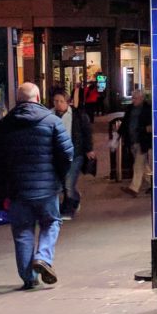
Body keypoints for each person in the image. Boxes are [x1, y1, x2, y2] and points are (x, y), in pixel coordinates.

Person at [0, 82, 73, 290]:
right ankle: (43, 257)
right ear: (38, 98)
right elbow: (66, 153)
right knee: (51, 222)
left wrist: (6, 182)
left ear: (18, 100)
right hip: (46, 188)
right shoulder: (52, 121)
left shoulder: (3, 124)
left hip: (18, 190)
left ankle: (28, 278)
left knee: (22, 231)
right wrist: (58, 177)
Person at [51, 88, 94, 220]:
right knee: (61, 184)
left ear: (68, 102)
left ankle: (69, 209)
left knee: (69, 184)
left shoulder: (78, 115)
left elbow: (87, 133)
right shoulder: (49, 115)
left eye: (61, 101)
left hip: (75, 154)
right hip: (57, 156)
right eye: (56, 101)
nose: (58, 103)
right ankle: (72, 200)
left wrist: (89, 149)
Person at [123, 87, 153, 197]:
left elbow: (151, 124)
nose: (133, 100)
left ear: (141, 98)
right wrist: (119, 134)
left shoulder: (147, 109)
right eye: (132, 98)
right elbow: (125, 123)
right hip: (132, 141)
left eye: (135, 98)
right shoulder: (130, 108)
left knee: (138, 165)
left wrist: (145, 129)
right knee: (143, 166)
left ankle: (134, 188)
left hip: (142, 141)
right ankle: (154, 183)